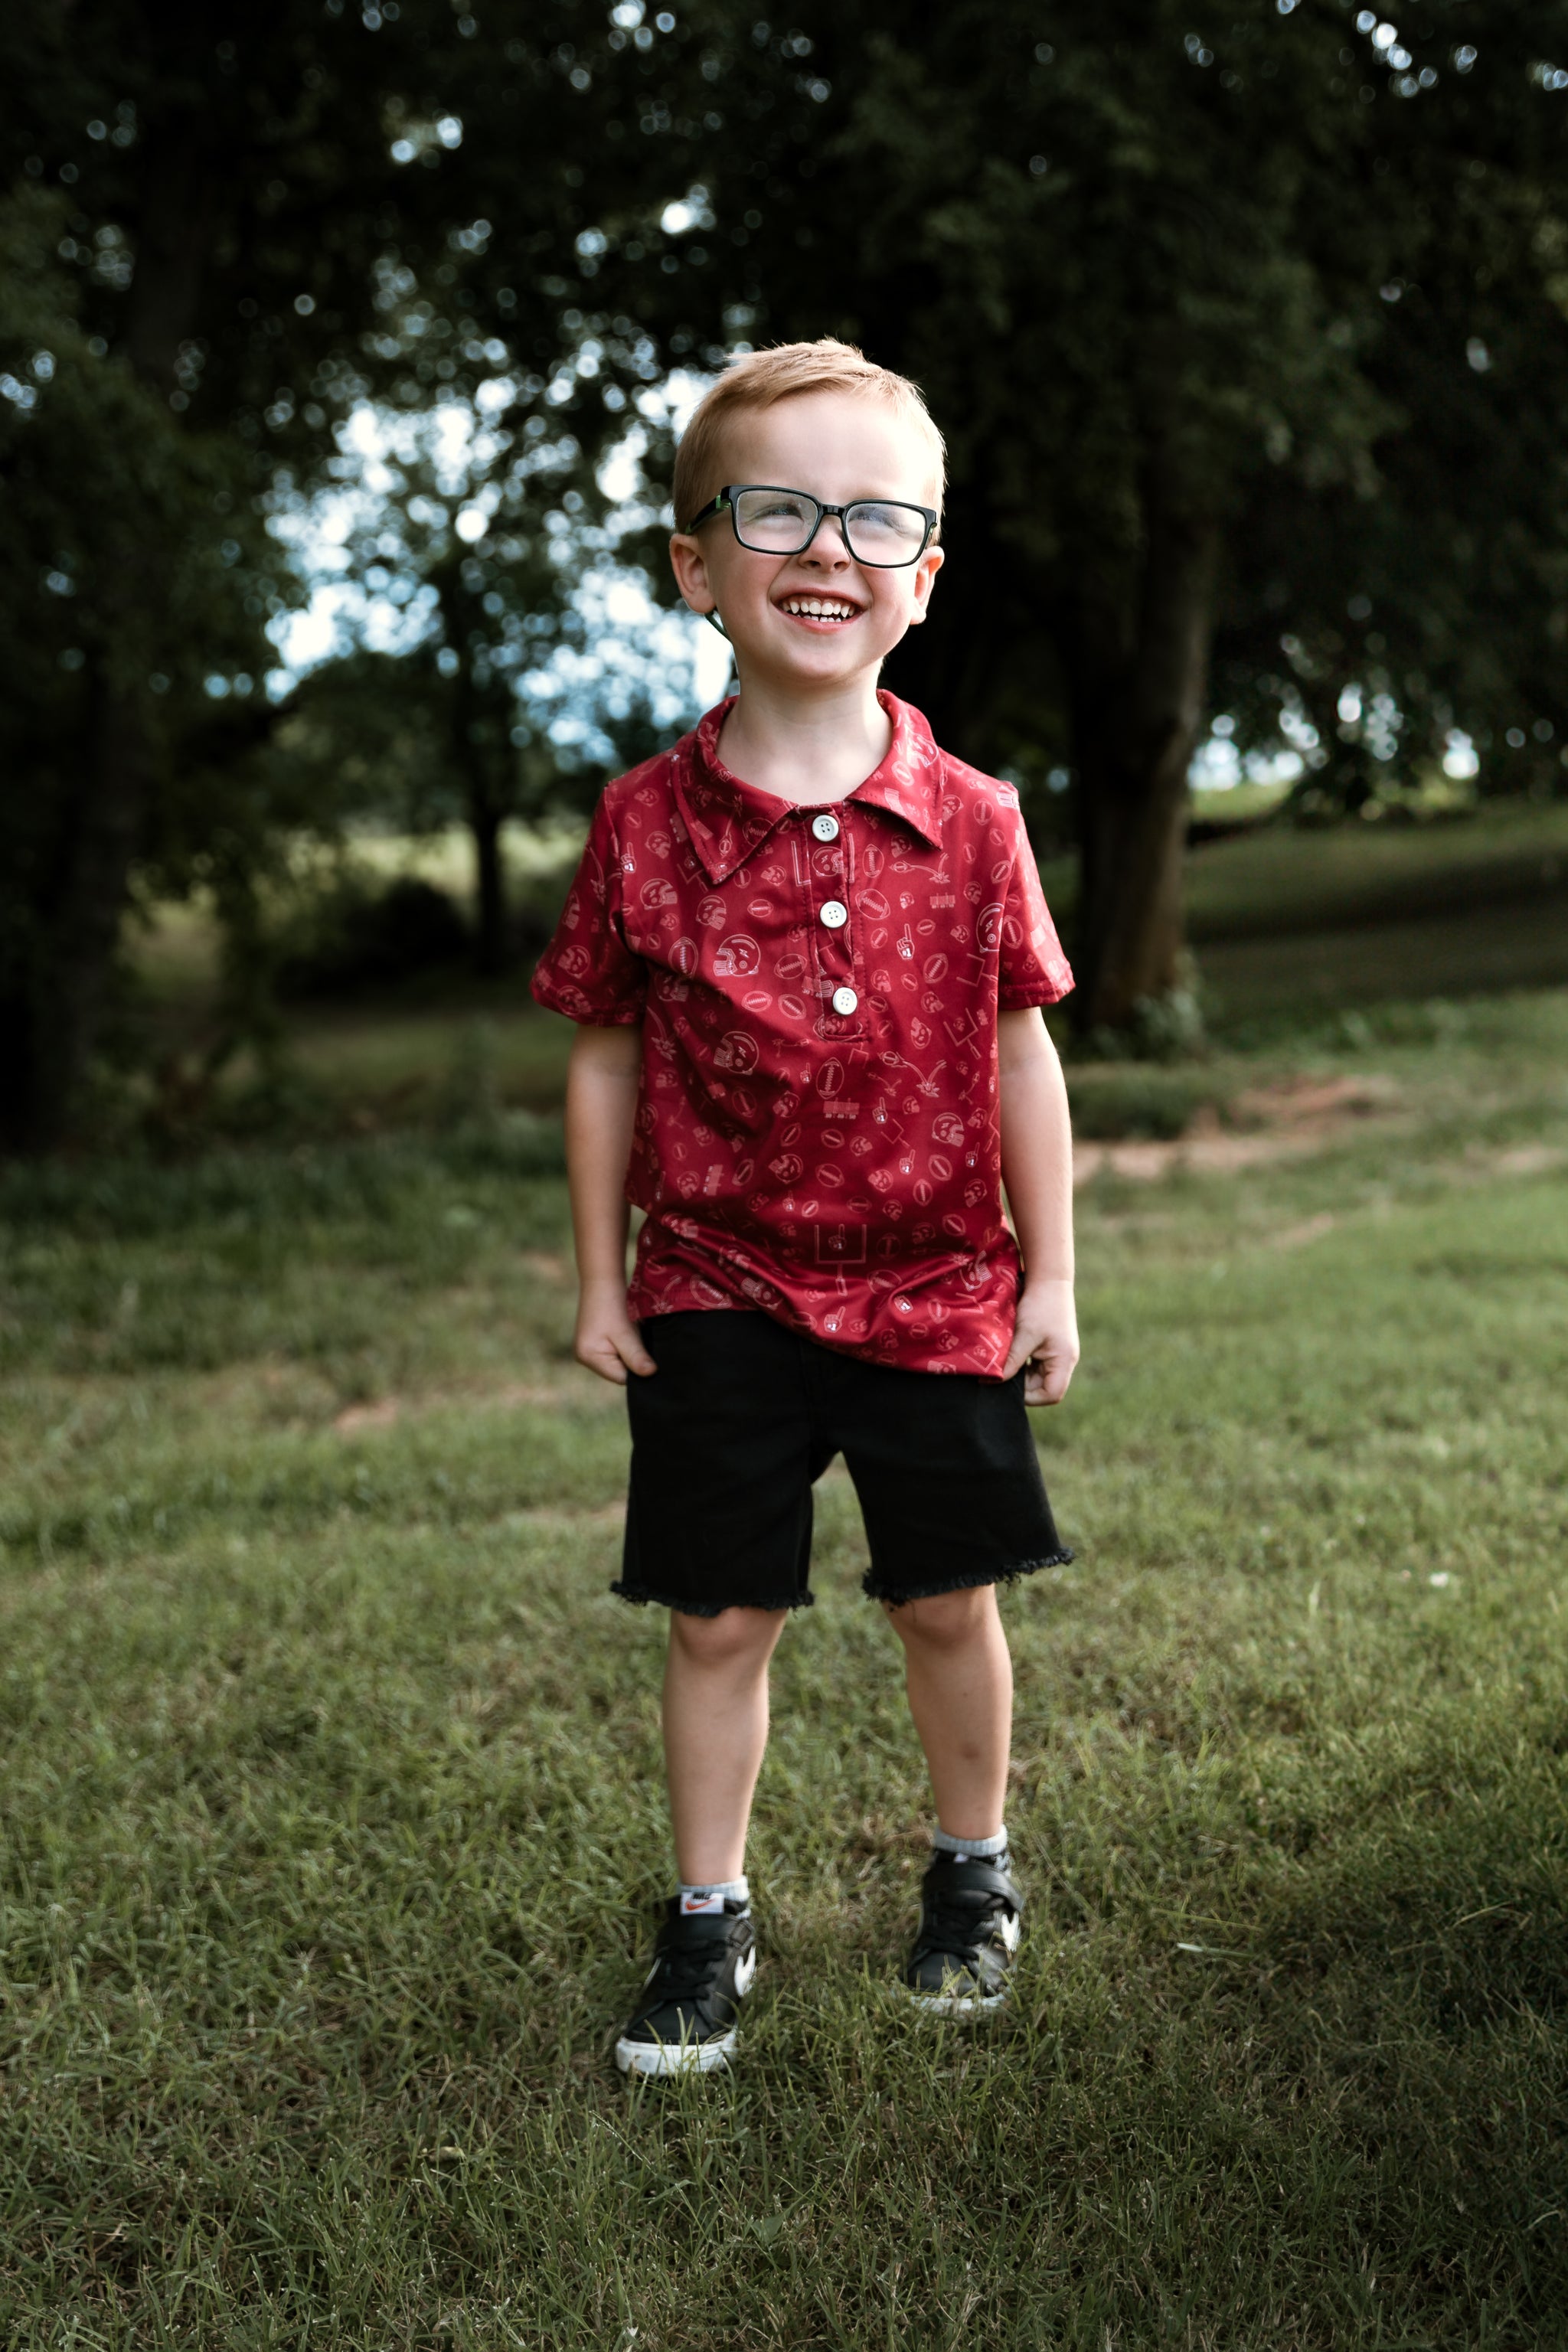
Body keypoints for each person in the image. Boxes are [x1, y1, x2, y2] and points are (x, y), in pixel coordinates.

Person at [531, 338, 1079, 2077]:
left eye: (874, 518)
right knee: (718, 1616)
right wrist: (601, 1277)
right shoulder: (641, 825)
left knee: (947, 1599)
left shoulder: (976, 822)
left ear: (924, 576)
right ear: (695, 564)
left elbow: (1021, 1053)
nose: (828, 547)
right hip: (715, 1283)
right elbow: (604, 1057)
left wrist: (1052, 1276)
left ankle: (971, 1871)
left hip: (937, 1284)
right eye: (776, 511)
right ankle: (708, 1914)